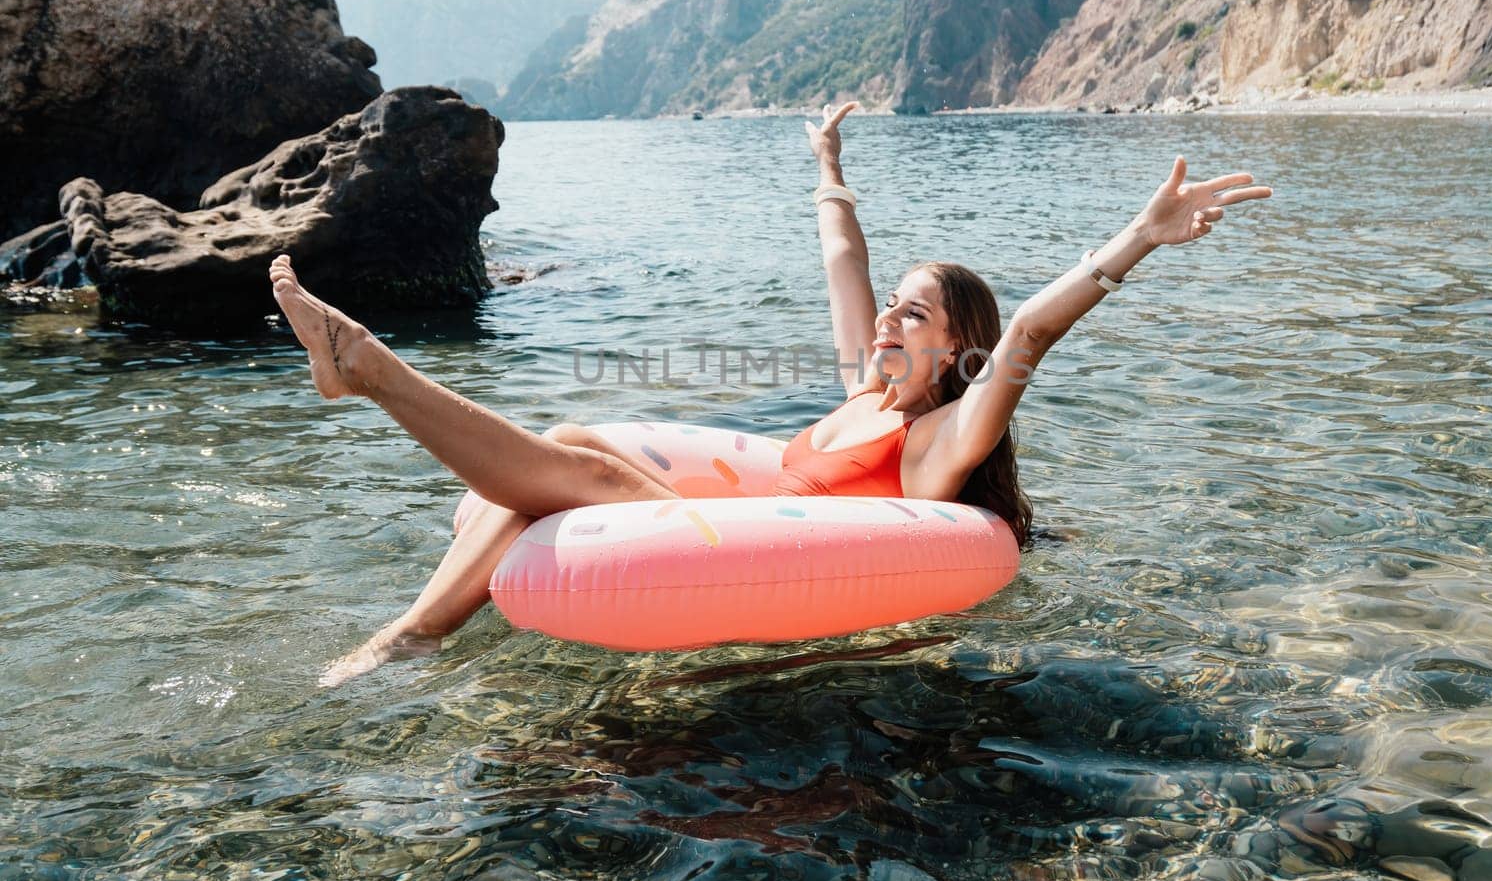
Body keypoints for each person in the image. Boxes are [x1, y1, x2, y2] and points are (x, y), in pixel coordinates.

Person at [269, 102, 1271, 685]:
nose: (887, 320)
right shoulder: (863, 391)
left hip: (727, 544)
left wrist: (1136, 239)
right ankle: (413, 620)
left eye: (914, 318)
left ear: (958, 349)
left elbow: (1031, 333)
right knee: (571, 432)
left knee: (566, 461)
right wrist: (828, 164)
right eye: (894, 309)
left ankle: (373, 378)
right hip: (695, 520)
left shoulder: (939, 443)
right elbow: (845, 258)